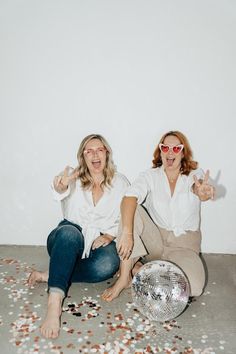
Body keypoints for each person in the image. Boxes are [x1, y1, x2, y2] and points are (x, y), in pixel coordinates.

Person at [28, 134, 129, 339]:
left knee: (109, 264)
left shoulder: (120, 182)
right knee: (69, 234)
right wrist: (60, 185)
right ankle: (54, 304)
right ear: (83, 156)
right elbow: (59, 191)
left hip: (99, 240)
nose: (94, 154)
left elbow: (126, 216)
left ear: (106, 153)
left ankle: (52, 274)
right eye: (88, 151)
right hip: (67, 237)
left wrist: (110, 235)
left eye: (99, 149)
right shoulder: (73, 177)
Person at [102, 130, 215, 302]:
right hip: (155, 243)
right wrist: (126, 233)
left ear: (183, 152)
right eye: (165, 147)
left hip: (183, 248)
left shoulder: (194, 175)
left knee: (194, 288)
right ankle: (125, 277)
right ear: (160, 151)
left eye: (176, 148)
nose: (170, 152)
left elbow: (198, 189)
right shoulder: (150, 175)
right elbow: (129, 197)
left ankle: (143, 270)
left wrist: (202, 191)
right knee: (133, 209)